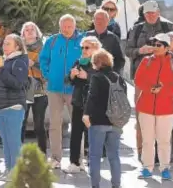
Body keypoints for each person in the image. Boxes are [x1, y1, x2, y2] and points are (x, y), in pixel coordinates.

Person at [126, 0, 173, 159]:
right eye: (148, 14)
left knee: (167, 116)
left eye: (153, 13)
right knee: (143, 116)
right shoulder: (137, 29)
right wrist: (140, 50)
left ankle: (166, 155)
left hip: (166, 80)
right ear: (144, 14)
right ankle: (143, 153)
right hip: (143, 80)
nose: (151, 16)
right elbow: (127, 50)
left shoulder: (169, 28)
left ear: (158, 12)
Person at [39, 14, 84, 169]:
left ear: (74, 26)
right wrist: (47, 74)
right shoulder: (52, 41)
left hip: (75, 89)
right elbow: (43, 60)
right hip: (54, 88)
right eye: (64, 26)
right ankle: (56, 158)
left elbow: (89, 59)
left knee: (77, 125)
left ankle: (77, 159)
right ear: (60, 26)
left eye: (69, 26)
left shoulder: (82, 40)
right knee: (54, 124)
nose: (66, 29)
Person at [134, 33, 173, 180]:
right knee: (147, 140)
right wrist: (150, 88)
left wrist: (164, 90)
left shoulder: (172, 63)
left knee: (164, 140)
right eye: (154, 44)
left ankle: (165, 168)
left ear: (166, 48)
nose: (155, 47)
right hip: (146, 107)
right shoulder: (146, 61)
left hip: (166, 109)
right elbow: (138, 79)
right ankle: (147, 168)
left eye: (159, 45)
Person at [83, 49, 125, 188]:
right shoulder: (119, 78)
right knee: (114, 156)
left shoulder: (97, 77)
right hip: (116, 122)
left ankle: (95, 185)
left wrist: (86, 114)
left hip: (99, 121)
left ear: (97, 63)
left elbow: (92, 97)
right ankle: (116, 185)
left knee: (95, 156)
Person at [0, 34, 29, 182]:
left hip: (13, 107)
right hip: (0, 107)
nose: (4, 46)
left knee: (13, 142)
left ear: (17, 46)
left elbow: (18, 84)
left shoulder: (19, 62)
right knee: (6, 142)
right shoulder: (6, 61)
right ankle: (9, 169)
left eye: (8, 44)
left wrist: (0, 70)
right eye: (4, 43)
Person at [64, 36, 101, 174]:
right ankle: (74, 162)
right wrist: (72, 76)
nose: (83, 50)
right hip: (79, 101)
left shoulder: (100, 62)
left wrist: (88, 76)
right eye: (82, 47)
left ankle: (91, 161)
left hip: (94, 104)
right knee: (75, 133)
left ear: (95, 49)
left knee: (92, 133)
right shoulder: (78, 62)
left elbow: (104, 80)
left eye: (87, 47)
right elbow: (68, 80)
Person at [87, 9, 125, 74]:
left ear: (107, 22)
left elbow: (120, 61)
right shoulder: (87, 36)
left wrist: (111, 73)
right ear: (93, 21)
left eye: (102, 19)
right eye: (97, 19)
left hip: (105, 77)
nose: (99, 21)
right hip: (88, 76)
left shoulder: (113, 38)